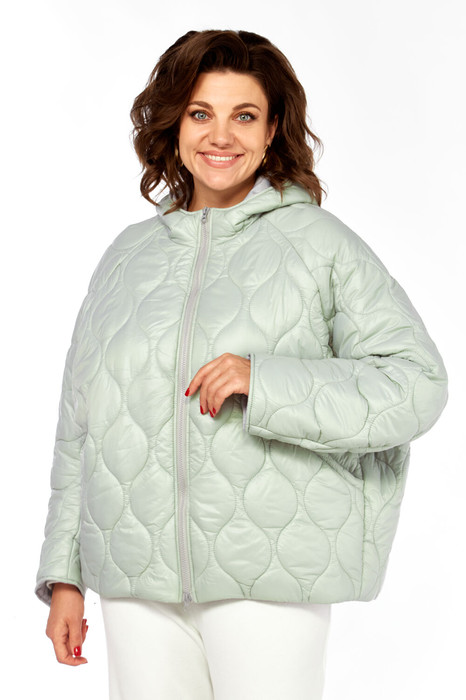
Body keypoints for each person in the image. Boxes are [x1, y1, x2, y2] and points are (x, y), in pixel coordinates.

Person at [35, 29, 448, 700]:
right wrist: (65, 576)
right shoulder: (126, 258)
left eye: (244, 115)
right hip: (135, 581)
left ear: (272, 129)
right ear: (175, 125)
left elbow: (415, 383)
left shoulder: (318, 244)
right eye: (201, 113)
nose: (220, 135)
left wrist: (266, 381)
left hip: (269, 577)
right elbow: (79, 428)